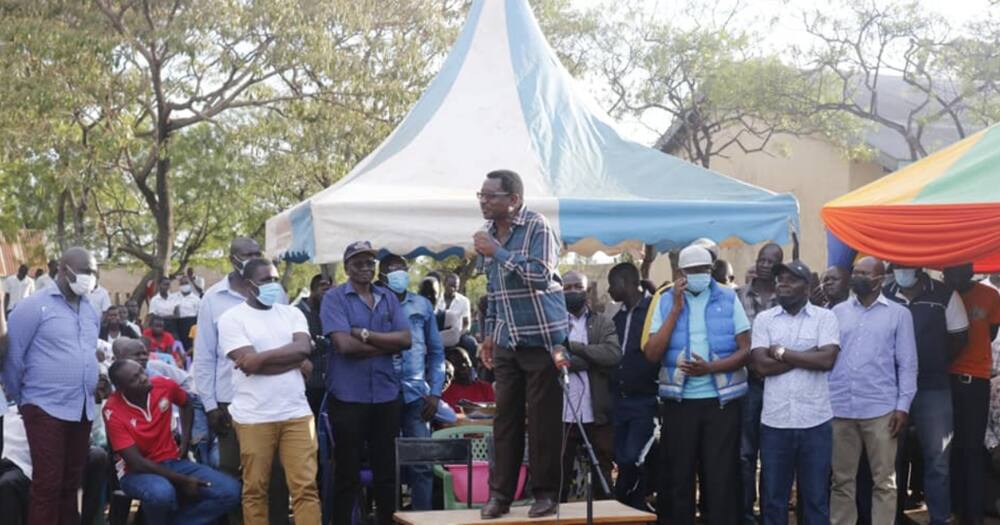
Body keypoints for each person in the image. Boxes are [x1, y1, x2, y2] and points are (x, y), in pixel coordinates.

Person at [473, 170, 569, 519]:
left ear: (513, 199)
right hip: (507, 339)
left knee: (543, 422)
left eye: (490, 195)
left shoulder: (537, 227)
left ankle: (545, 494)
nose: (483, 201)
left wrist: (498, 252)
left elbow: (542, 276)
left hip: (542, 338)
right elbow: (494, 291)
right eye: (480, 195)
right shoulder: (488, 234)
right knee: (505, 420)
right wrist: (487, 334)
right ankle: (501, 495)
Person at [643, 244, 751, 525]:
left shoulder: (729, 298)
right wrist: (677, 309)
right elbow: (652, 353)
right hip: (680, 404)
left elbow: (745, 351)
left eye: (704, 270)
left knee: (720, 478)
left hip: (721, 404)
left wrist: (710, 368)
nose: (699, 276)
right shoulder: (666, 300)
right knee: (678, 478)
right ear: (681, 273)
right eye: (692, 272)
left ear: (711, 270)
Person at [193, 237, 291, 525]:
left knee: (275, 473)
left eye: (256, 253)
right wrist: (210, 406)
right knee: (234, 473)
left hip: (273, 396)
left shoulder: (276, 292)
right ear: (232, 259)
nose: (252, 257)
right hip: (230, 400)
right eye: (246, 254)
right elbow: (204, 356)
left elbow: (288, 341)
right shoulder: (212, 298)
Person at [2, 247, 101, 525]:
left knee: (71, 485)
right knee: (47, 485)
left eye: (94, 273)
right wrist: (25, 400)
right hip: (44, 407)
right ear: (63, 269)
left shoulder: (91, 311)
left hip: (82, 409)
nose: (90, 278)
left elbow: (86, 353)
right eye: (85, 272)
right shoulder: (34, 306)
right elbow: (13, 357)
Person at [219, 257, 321, 525]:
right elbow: (249, 362)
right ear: (248, 285)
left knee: (306, 488)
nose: (274, 285)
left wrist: (261, 359)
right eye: (267, 280)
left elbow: (302, 349)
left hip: (297, 414)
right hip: (253, 417)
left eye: (276, 279)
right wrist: (293, 361)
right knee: (255, 490)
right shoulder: (231, 319)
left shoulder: (292, 313)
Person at [321, 241, 411, 525]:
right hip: (348, 397)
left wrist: (365, 335)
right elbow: (344, 346)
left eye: (370, 263)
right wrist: (387, 345)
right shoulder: (334, 298)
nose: (366, 268)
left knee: (387, 472)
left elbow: (406, 340)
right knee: (346, 473)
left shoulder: (388, 297)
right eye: (359, 263)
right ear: (347, 267)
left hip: (385, 395)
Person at [750, 260, 841, 525]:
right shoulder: (765, 320)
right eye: (780, 279)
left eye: (791, 280)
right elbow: (761, 366)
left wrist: (781, 352)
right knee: (773, 500)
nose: (782, 284)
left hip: (815, 422)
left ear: (807, 287)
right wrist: (808, 355)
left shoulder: (826, 318)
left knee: (815, 499)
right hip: (775, 423)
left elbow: (827, 362)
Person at [828, 257, 918, 525]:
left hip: (881, 410)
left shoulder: (899, 314)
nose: (857, 277)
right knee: (841, 480)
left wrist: (903, 407)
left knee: (884, 482)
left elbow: (908, 363)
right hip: (840, 407)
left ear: (880, 280)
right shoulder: (837, 312)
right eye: (855, 272)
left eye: (864, 273)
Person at [104, 359, 241, 525]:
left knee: (231, 491)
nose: (144, 377)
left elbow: (186, 404)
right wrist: (183, 481)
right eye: (135, 378)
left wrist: (185, 443)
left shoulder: (163, 385)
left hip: (173, 462)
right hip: (135, 473)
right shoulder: (113, 410)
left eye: (141, 371)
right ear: (121, 389)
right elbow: (137, 463)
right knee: (162, 493)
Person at [883, 264, 968, 525]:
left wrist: (933, 360)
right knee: (889, 461)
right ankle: (892, 518)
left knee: (938, 458)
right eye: (896, 266)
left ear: (919, 267)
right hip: (891, 389)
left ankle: (939, 518)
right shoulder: (884, 295)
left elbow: (959, 338)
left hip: (933, 387)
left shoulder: (944, 294)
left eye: (905, 266)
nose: (900, 270)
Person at [380, 253, 446, 511]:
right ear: (381, 275)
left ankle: (423, 517)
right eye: (392, 269)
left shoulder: (421, 304)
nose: (399, 273)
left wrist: (436, 393)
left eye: (402, 268)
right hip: (382, 394)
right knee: (386, 464)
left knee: (421, 463)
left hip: (418, 395)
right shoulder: (373, 302)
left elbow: (437, 352)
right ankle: (390, 515)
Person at [943, 263, 1000, 525]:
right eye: (946, 272)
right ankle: (954, 509)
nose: (950, 276)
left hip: (974, 381)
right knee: (949, 449)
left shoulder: (990, 296)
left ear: (969, 271)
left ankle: (974, 514)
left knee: (972, 449)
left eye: (956, 271)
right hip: (944, 381)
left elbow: (991, 334)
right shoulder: (941, 295)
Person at [560, 270, 620, 501]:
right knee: (559, 478)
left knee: (602, 474)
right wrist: (591, 360)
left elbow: (613, 354)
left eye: (578, 286)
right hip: (562, 415)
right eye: (567, 288)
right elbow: (552, 360)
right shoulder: (553, 324)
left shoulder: (603, 322)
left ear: (587, 291)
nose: (573, 291)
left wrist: (575, 348)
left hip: (597, 414)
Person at [1, 405, 111, 525]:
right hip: (22, 464)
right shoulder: (8, 413)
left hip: (62, 459)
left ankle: (88, 521)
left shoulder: (62, 403)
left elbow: (84, 441)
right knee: (7, 482)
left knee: (97, 457)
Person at [606, 262, 659, 511]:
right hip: (620, 400)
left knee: (633, 457)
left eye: (612, 284)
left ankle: (626, 502)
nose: (608, 290)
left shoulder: (654, 310)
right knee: (621, 457)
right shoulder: (616, 318)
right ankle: (634, 507)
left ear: (626, 283)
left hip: (645, 400)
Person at [296, 273, 333, 418]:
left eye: (329, 289)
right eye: (323, 288)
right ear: (312, 289)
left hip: (329, 382)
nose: (326, 292)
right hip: (307, 383)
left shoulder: (330, 311)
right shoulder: (297, 312)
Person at [175, 275, 201, 352]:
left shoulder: (196, 299)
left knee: (191, 346)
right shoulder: (174, 297)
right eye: (182, 284)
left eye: (186, 283)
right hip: (179, 325)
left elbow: (199, 315)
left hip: (192, 324)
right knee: (181, 346)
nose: (184, 285)